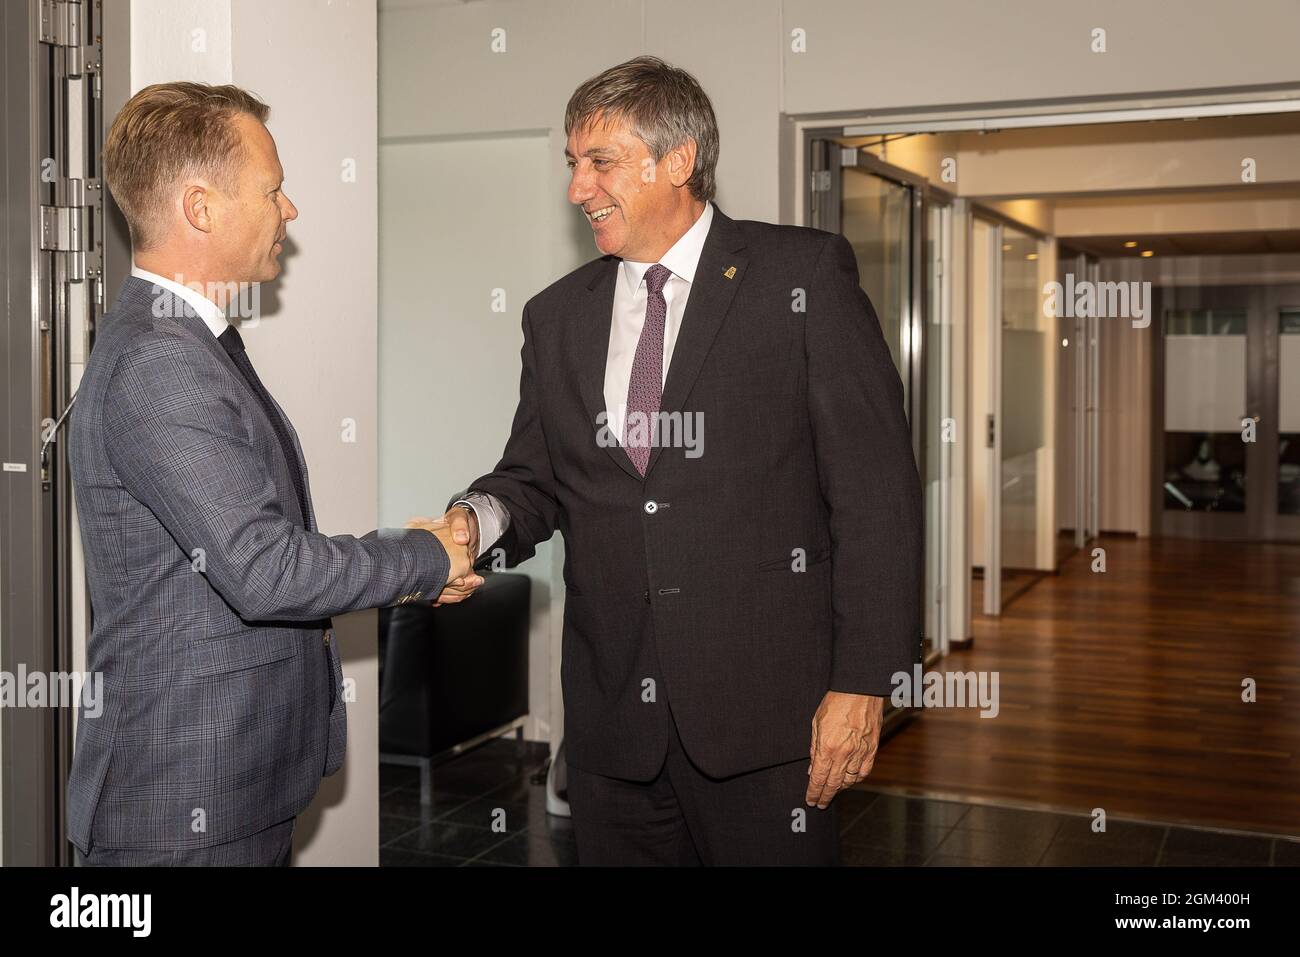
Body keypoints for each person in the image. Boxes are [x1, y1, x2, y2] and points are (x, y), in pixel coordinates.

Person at [437, 56, 923, 865]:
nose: (578, 189)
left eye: (601, 163)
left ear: (679, 159)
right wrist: (472, 519)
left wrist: (865, 681)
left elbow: (877, 496)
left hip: (771, 726)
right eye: (572, 165)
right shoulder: (556, 317)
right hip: (614, 730)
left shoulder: (801, 277)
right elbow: (533, 478)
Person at [68, 82, 478, 866]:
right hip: (182, 800)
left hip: (230, 786)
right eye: (273, 189)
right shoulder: (161, 361)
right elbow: (263, 567)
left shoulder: (189, 342)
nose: (290, 211)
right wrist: (425, 559)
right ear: (200, 207)